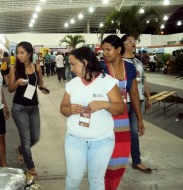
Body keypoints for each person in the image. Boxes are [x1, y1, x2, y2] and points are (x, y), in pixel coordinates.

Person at [60, 46, 125, 190]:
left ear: (84, 62)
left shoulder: (107, 82)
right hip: (75, 139)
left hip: (102, 141)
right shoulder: (72, 84)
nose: (70, 68)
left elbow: (120, 108)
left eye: (72, 64)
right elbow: (63, 108)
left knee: (96, 180)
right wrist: (70, 109)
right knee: (73, 178)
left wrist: (105, 104)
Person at [101, 35, 145, 190]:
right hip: (104, 117)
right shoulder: (101, 68)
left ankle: (113, 185)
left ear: (118, 50)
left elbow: (133, 94)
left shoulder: (130, 68)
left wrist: (139, 119)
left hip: (122, 117)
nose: (105, 53)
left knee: (121, 154)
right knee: (106, 155)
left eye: (108, 49)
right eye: (103, 49)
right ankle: (104, 185)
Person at [8, 41, 49, 178]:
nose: (19, 55)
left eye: (22, 52)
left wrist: (43, 88)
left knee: (35, 138)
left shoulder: (37, 67)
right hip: (19, 108)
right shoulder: (14, 69)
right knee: (26, 140)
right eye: (17, 52)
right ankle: (30, 167)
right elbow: (10, 89)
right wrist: (17, 83)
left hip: (34, 107)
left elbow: (40, 83)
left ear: (29, 53)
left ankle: (20, 150)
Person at [121, 34, 152, 173]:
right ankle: (114, 159)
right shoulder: (119, 61)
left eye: (134, 41)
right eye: (130, 41)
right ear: (123, 44)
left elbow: (144, 79)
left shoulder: (138, 61)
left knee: (134, 131)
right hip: (122, 101)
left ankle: (136, 161)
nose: (133, 43)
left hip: (137, 99)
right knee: (118, 131)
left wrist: (148, 96)